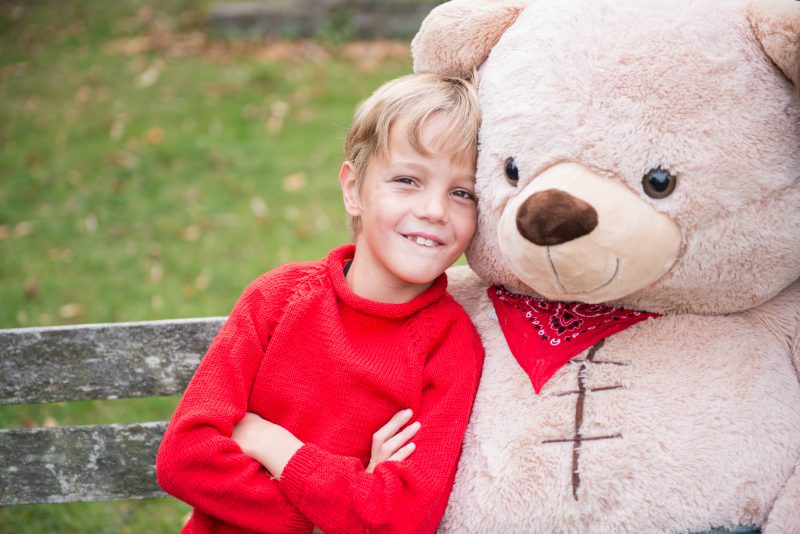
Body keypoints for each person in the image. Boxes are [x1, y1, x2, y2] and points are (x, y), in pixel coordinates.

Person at [156, 72, 484, 534]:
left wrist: (274, 444)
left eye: (462, 192)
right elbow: (185, 457)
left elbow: (399, 519)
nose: (434, 210)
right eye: (407, 180)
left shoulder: (450, 346)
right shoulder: (277, 300)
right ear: (353, 189)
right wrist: (344, 501)